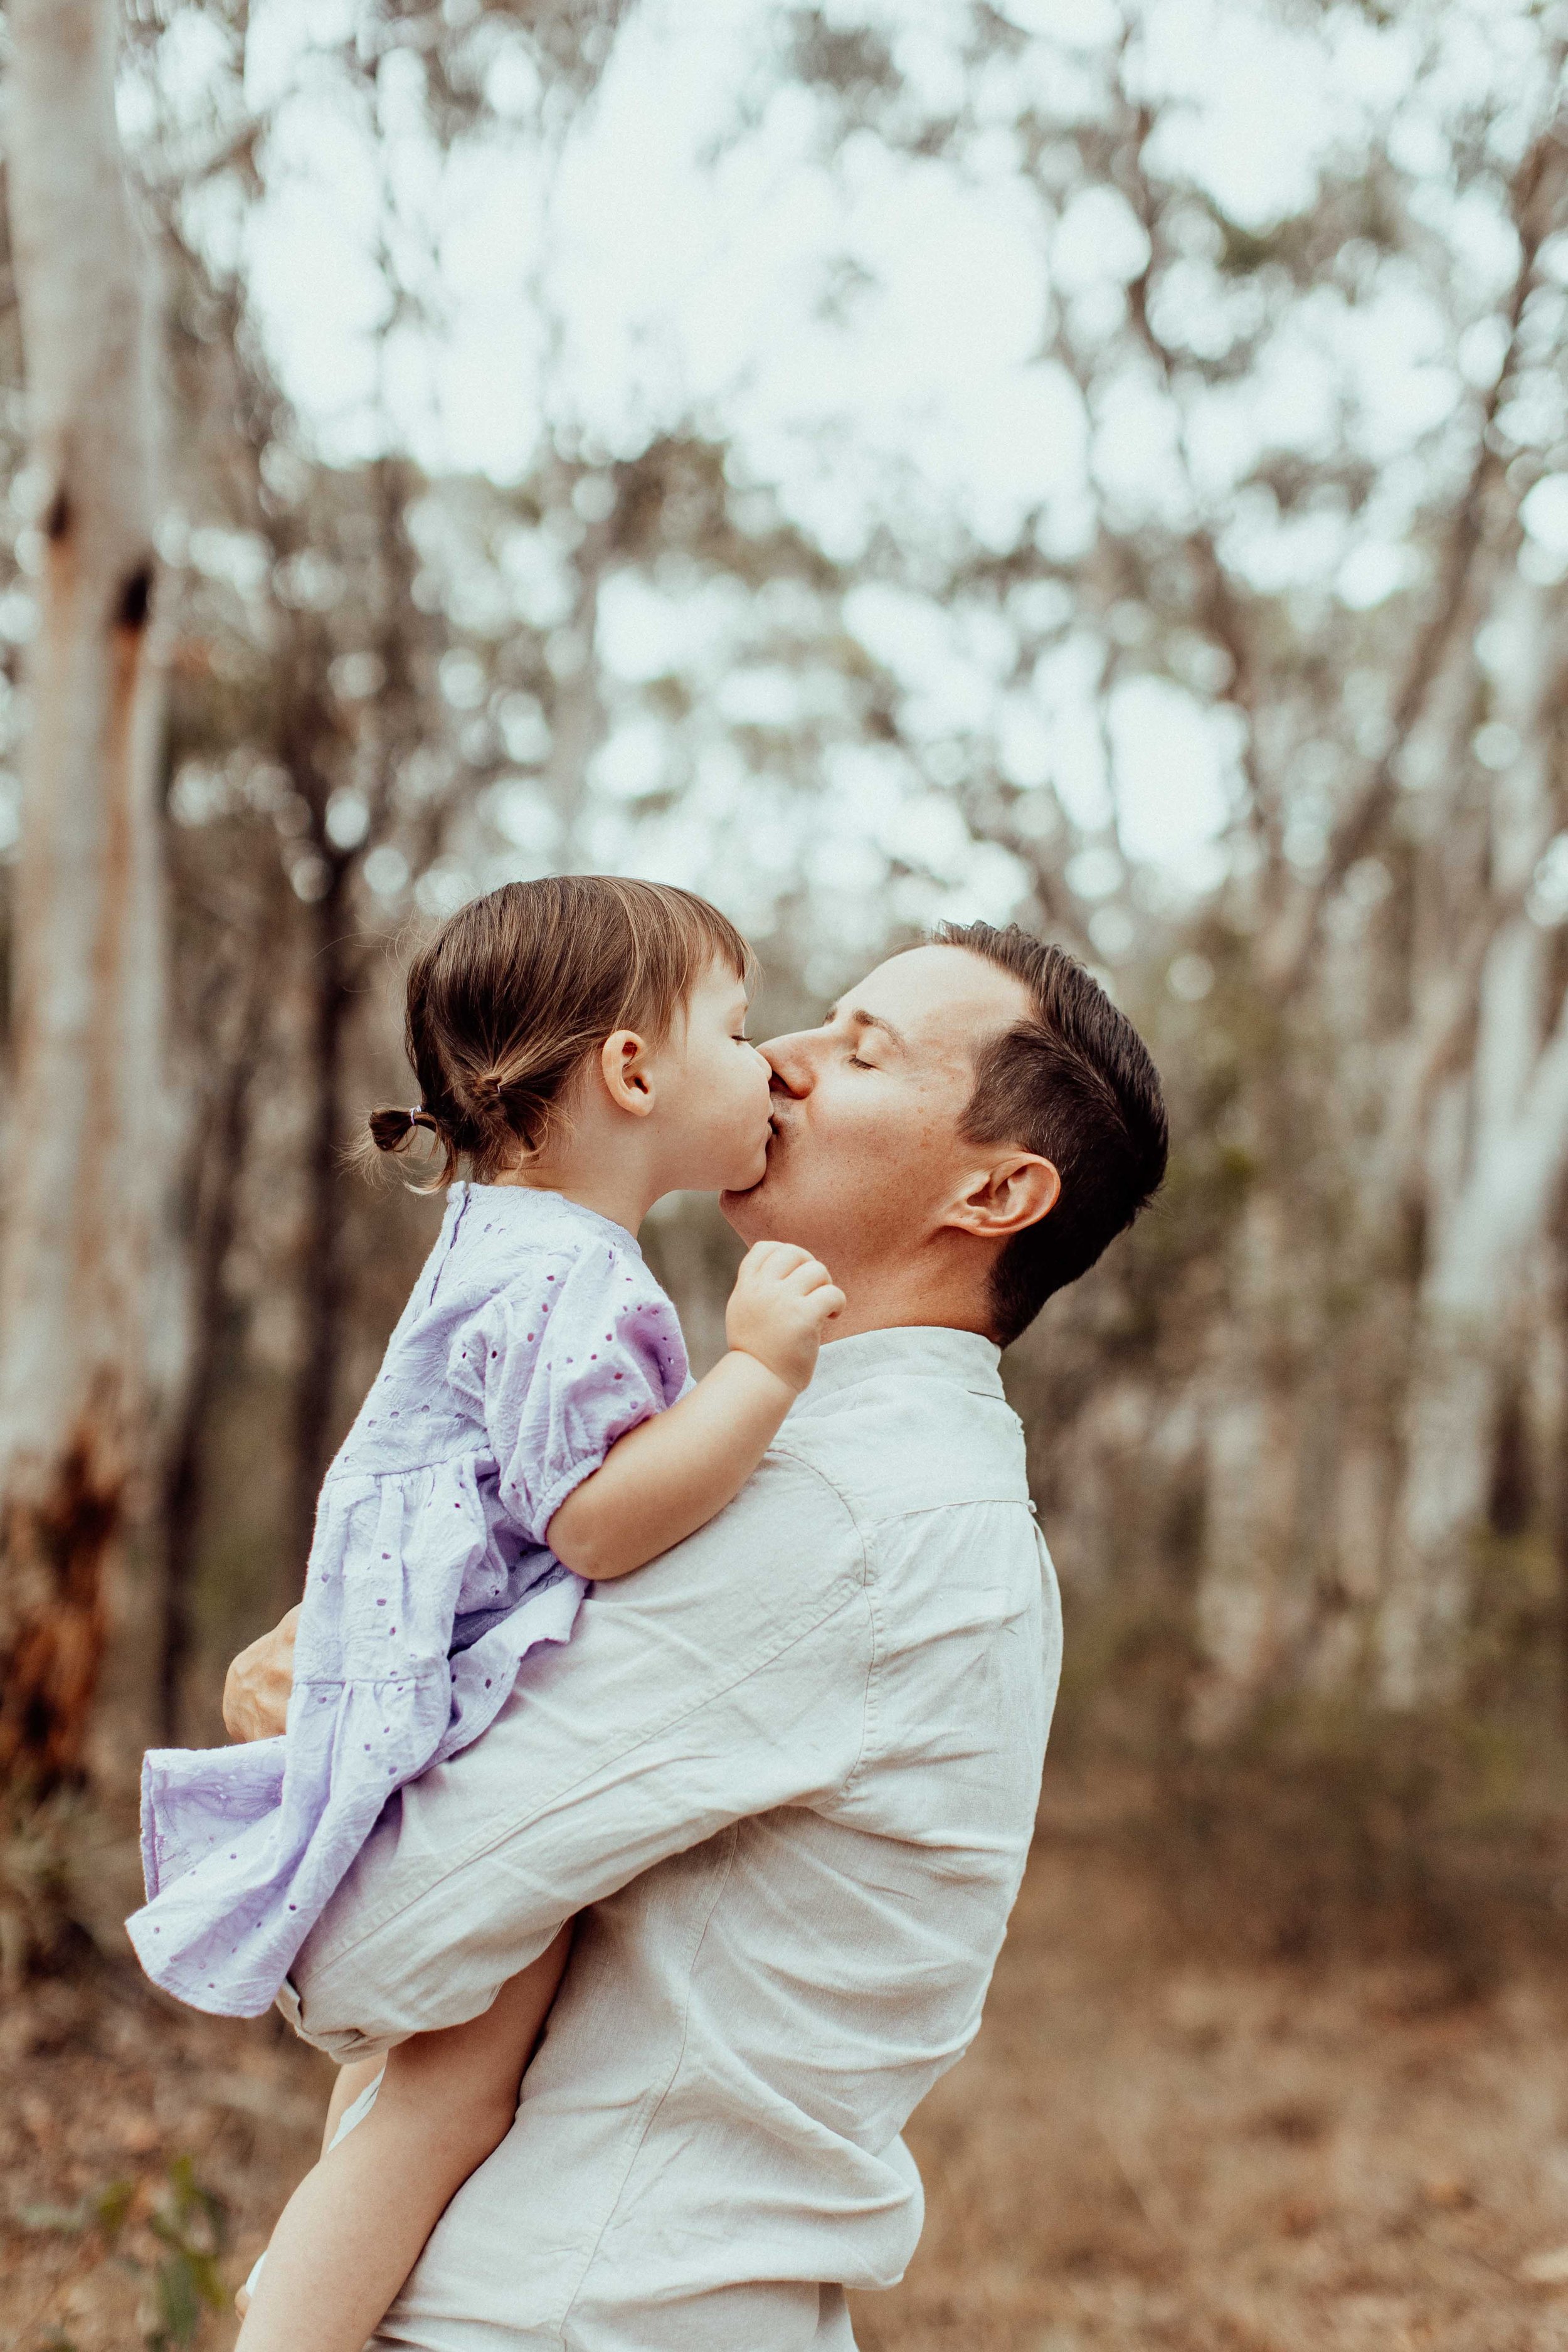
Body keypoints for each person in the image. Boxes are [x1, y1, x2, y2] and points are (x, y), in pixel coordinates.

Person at [223, 917, 1169, 2352]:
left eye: (857, 1052)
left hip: (569, 2311)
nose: (778, 1066)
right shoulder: (819, 1468)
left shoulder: (840, 1517)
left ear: (995, 1190)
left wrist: (306, 1726)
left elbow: (373, 1950)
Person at [127, 876, 845, 2352]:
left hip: (414, 1681)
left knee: (403, 2090)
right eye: (735, 1024)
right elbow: (593, 1515)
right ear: (631, 1072)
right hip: (440, 1716)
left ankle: (308, 2303)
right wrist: (757, 1379)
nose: (771, 1059)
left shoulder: (507, 1242)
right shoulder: (574, 1280)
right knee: (454, 2091)